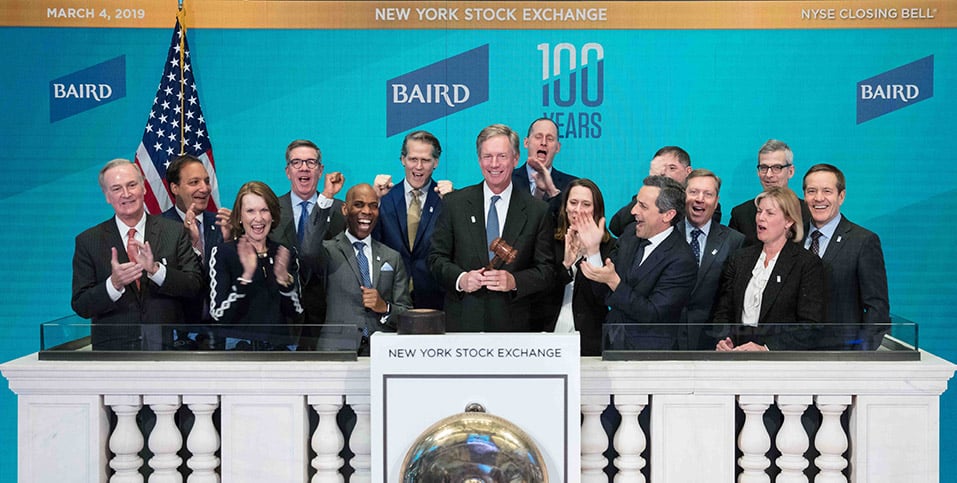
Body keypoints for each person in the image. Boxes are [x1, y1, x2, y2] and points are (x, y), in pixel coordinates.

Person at [428, 124, 556, 332]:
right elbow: (435, 258)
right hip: (463, 326)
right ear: (479, 160)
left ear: (515, 159)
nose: (494, 164)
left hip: (514, 331)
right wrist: (462, 279)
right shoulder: (455, 204)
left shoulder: (537, 211)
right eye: (487, 156)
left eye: (502, 156)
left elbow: (547, 271)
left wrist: (514, 281)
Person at [72, 159, 203, 350]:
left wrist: (156, 270)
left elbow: (194, 286)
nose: (126, 194)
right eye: (116, 189)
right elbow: (81, 305)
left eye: (132, 185)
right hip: (114, 355)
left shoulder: (174, 232)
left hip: (168, 350)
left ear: (144, 188)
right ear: (107, 196)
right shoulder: (88, 241)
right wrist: (113, 284)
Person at [581, 175, 697, 350]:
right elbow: (603, 294)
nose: (633, 211)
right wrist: (593, 251)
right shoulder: (629, 235)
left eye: (643, 206)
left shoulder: (682, 259)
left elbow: (653, 313)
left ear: (668, 215)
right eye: (637, 203)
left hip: (650, 357)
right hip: (612, 345)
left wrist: (614, 282)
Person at [712, 187, 826, 351]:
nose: (760, 218)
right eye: (759, 212)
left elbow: (811, 326)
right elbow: (723, 311)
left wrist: (766, 348)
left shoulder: (806, 264)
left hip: (779, 362)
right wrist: (724, 340)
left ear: (788, 221)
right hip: (736, 354)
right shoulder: (739, 258)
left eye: (769, 213)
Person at [803, 164, 890, 350]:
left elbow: (877, 307)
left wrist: (860, 355)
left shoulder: (863, 241)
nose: (819, 198)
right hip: (792, 356)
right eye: (812, 191)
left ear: (841, 196)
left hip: (843, 358)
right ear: (804, 196)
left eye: (827, 191)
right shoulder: (792, 237)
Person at [322, 183, 412, 354]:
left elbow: (406, 313)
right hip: (338, 350)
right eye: (358, 204)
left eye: (373, 206)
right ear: (345, 209)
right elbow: (308, 247)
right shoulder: (328, 251)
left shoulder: (392, 257)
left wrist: (385, 307)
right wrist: (326, 196)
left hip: (382, 353)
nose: (367, 211)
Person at [208, 182, 303, 343]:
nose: (258, 218)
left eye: (264, 210)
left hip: (279, 354)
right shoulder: (224, 253)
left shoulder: (285, 253)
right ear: (239, 217)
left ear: (272, 215)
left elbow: (297, 312)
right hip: (238, 354)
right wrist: (245, 278)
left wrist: (284, 282)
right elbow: (218, 315)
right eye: (250, 211)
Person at [269, 139, 346, 330]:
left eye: (311, 162)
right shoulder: (269, 211)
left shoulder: (339, 210)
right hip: (283, 314)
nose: (304, 168)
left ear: (320, 170)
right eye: (296, 162)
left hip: (330, 315)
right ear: (288, 172)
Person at [372, 130, 452, 310]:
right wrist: (374, 200)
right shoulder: (383, 198)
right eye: (413, 159)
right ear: (402, 159)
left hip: (436, 300)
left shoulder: (448, 200)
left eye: (425, 160)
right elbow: (370, 242)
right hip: (390, 299)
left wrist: (453, 205)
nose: (418, 166)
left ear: (436, 163)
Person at [538, 179, 615, 356]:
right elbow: (540, 292)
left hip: (590, 343)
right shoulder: (548, 241)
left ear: (596, 210)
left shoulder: (611, 247)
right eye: (573, 203)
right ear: (565, 207)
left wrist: (593, 252)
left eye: (586, 204)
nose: (578, 210)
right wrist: (565, 265)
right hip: (549, 338)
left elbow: (605, 298)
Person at [674, 169, 746, 350]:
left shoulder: (734, 241)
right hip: (666, 339)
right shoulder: (667, 234)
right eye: (693, 192)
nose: (700, 199)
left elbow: (733, 300)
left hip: (712, 341)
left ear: (716, 202)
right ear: (683, 196)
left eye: (708, 194)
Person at [161, 155, 228, 328]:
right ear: (175, 188)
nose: (205, 188)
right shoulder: (160, 229)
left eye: (206, 181)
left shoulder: (222, 224)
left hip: (220, 328)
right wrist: (191, 244)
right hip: (179, 328)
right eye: (194, 182)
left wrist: (230, 242)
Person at [609, 146, 722, 236]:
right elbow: (616, 227)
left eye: (672, 168)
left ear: (688, 171)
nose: (663, 173)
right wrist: (652, 185)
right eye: (660, 168)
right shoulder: (645, 199)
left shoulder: (701, 202)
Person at [728, 139, 810, 247]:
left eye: (777, 168)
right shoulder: (741, 214)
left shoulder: (808, 213)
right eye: (764, 168)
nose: (769, 174)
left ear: (790, 171)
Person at [511, 117, 578, 215]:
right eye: (538, 137)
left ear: (558, 147)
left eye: (550, 138)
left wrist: (552, 191)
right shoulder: (507, 180)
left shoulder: (571, 186)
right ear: (526, 143)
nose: (543, 143)